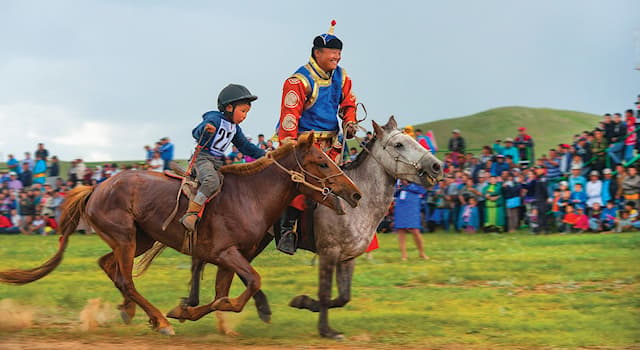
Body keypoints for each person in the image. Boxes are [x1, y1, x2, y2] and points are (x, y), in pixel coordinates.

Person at [276, 20, 358, 255]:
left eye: (339, 52)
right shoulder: (298, 81)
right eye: (332, 52)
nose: (337, 57)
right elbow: (289, 119)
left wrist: (350, 121)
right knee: (301, 188)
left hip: (331, 146)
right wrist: (291, 149)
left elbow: (348, 103)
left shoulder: (341, 76)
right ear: (318, 52)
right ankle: (287, 230)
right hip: (304, 146)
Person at [180, 84, 266, 232]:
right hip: (202, 158)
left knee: (233, 183)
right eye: (243, 111)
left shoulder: (234, 128)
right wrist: (206, 129)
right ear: (229, 108)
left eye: (247, 112)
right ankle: (191, 214)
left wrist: (265, 155)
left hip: (218, 162)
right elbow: (196, 132)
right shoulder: (214, 119)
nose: (245, 116)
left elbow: (245, 146)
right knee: (212, 181)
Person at [394, 180, 428, 260]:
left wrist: (407, 185)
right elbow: (393, 192)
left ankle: (422, 253)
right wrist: (399, 187)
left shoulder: (416, 180)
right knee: (401, 230)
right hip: (400, 204)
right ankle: (404, 254)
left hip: (413, 204)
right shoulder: (398, 181)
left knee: (415, 230)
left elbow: (423, 190)